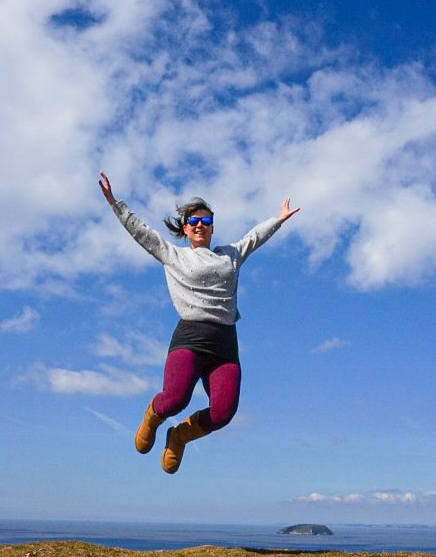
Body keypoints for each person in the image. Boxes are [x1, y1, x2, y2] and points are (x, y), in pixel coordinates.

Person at [97, 171, 299, 473]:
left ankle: (179, 436)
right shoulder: (173, 255)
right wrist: (115, 203)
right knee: (175, 399)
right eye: (193, 222)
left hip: (225, 343)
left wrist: (279, 219)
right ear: (185, 229)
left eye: (206, 221)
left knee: (224, 412)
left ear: (212, 227)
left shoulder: (230, 255)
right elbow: (142, 232)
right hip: (190, 337)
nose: (200, 225)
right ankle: (153, 415)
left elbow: (254, 238)